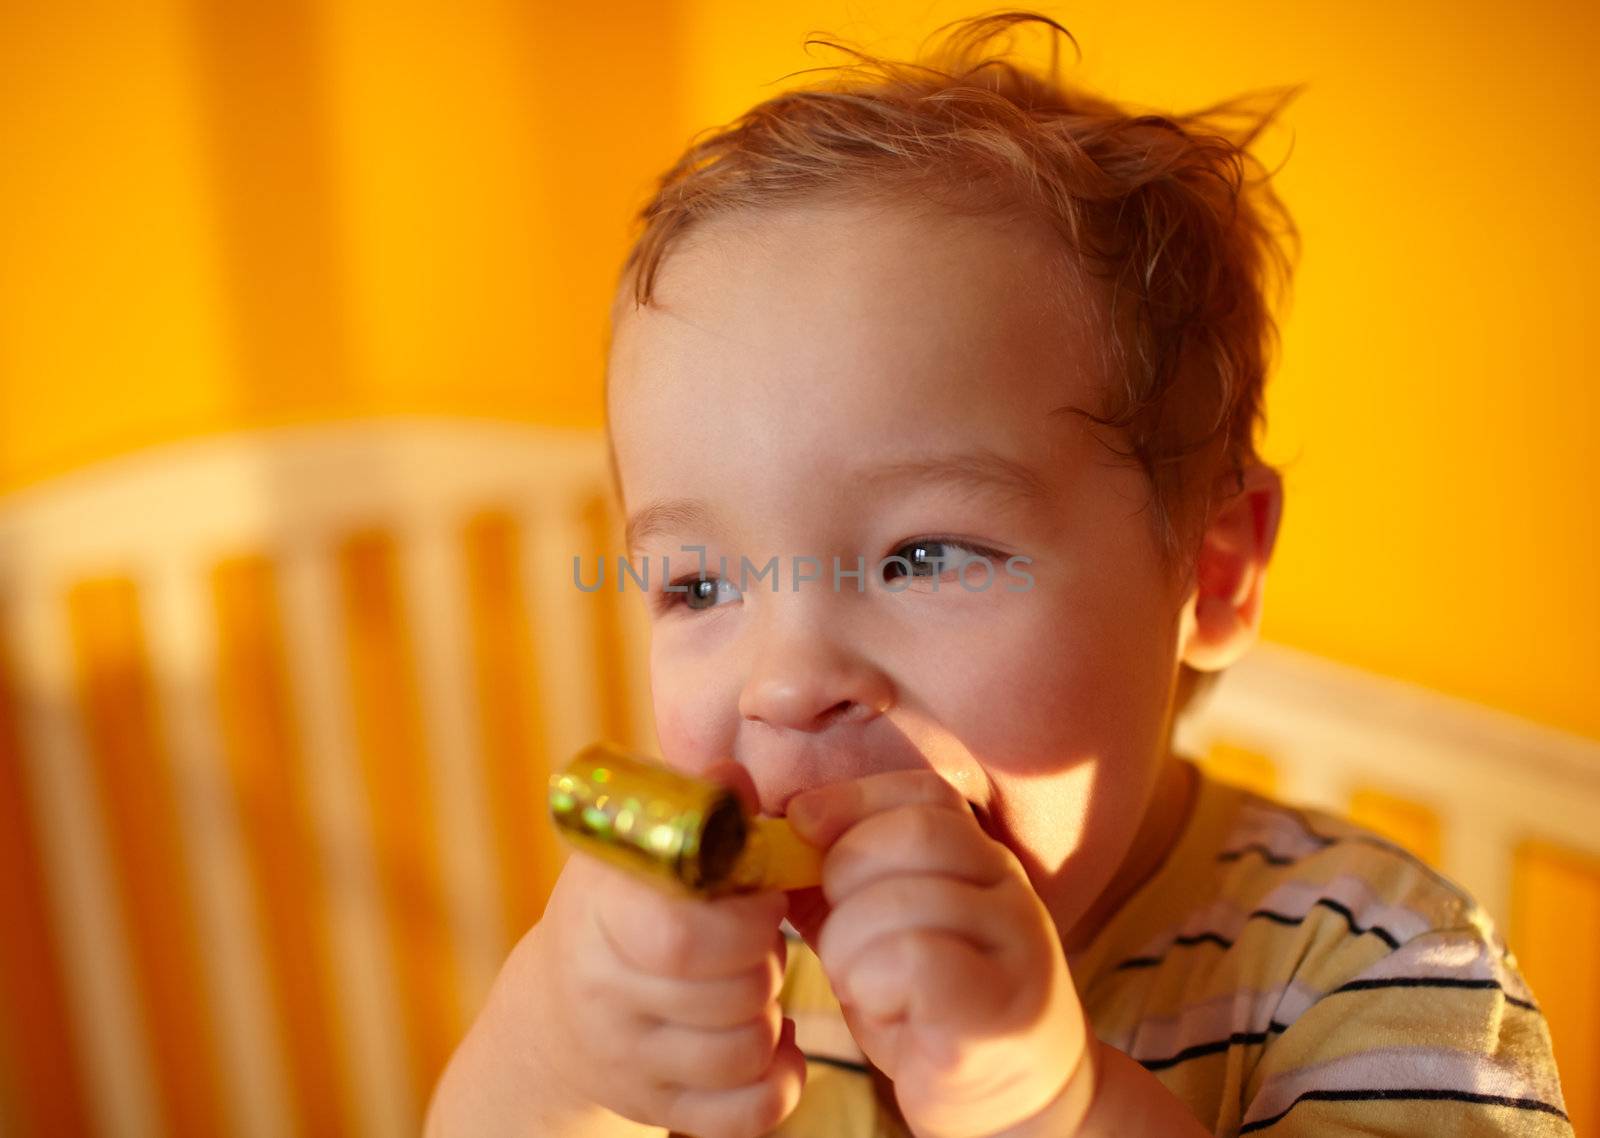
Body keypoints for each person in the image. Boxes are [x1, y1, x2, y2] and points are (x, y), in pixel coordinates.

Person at [425, 11, 1571, 1136]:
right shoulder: (700, 971)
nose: (785, 682)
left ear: (1211, 571)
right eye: (698, 584)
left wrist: (1052, 1110)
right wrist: (546, 1067)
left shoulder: (1381, 971)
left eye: (922, 555)